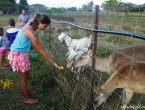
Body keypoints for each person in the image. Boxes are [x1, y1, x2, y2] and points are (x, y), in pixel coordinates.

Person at [7, 14, 61, 104]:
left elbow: (35, 17)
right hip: (19, 55)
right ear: (39, 22)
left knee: (26, 77)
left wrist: (31, 48)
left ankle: (26, 93)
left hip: (18, 53)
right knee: (24, 78)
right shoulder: (31, 33)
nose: (45, 28)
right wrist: (53, 63)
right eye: (45, 26)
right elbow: (41, 51)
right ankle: (26, 99)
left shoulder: (32, 21)